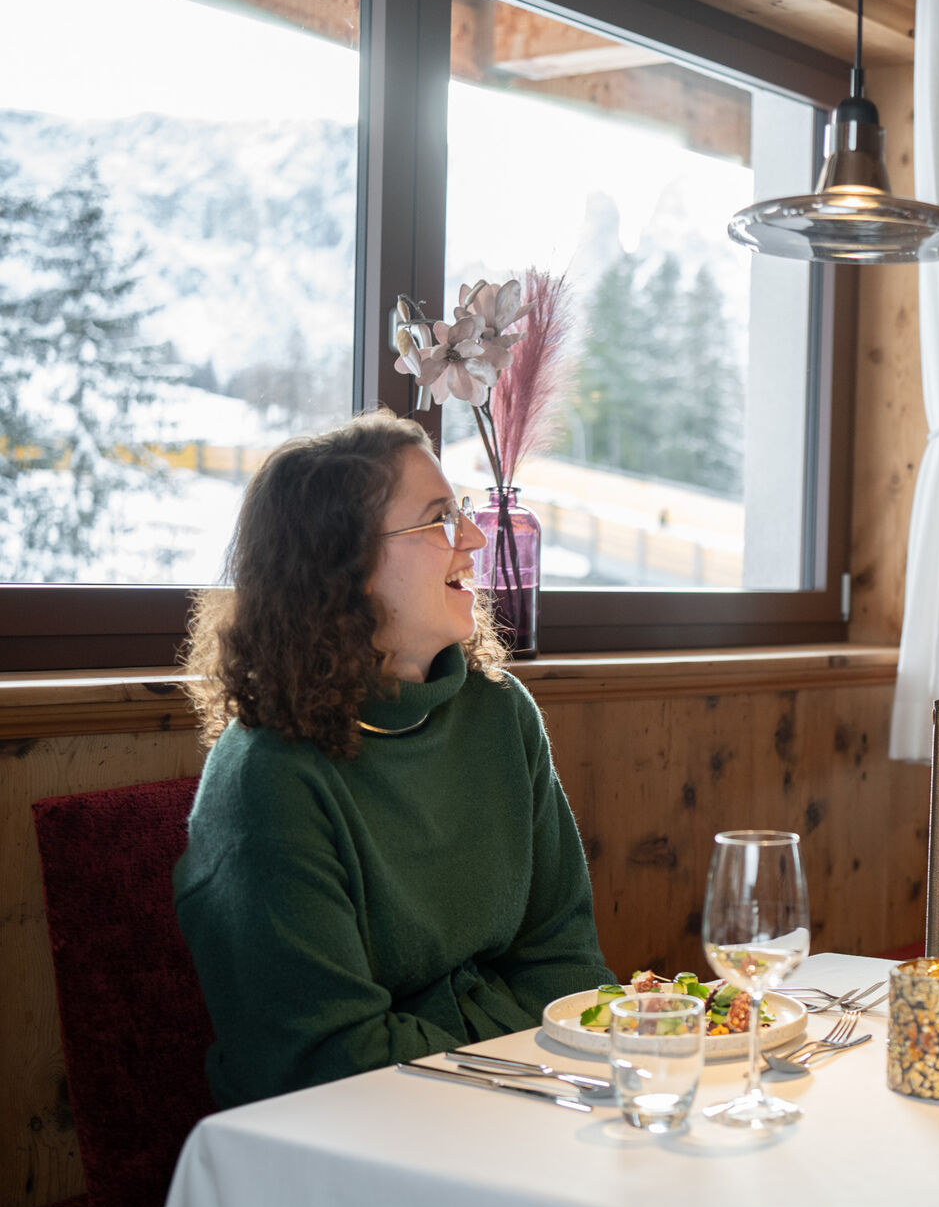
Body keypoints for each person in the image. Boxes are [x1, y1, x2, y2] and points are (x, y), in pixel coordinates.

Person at [177, 413, 613, 1107]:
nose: (474, 539)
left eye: (460, 512)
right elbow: (329, 1060)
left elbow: (568, 965)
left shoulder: (500, 712)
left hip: (524, 1094)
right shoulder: (268, 776)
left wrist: (554, 1069)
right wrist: (517, 1048)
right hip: (341, 1133)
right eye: (439, 519)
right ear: (344, 565)